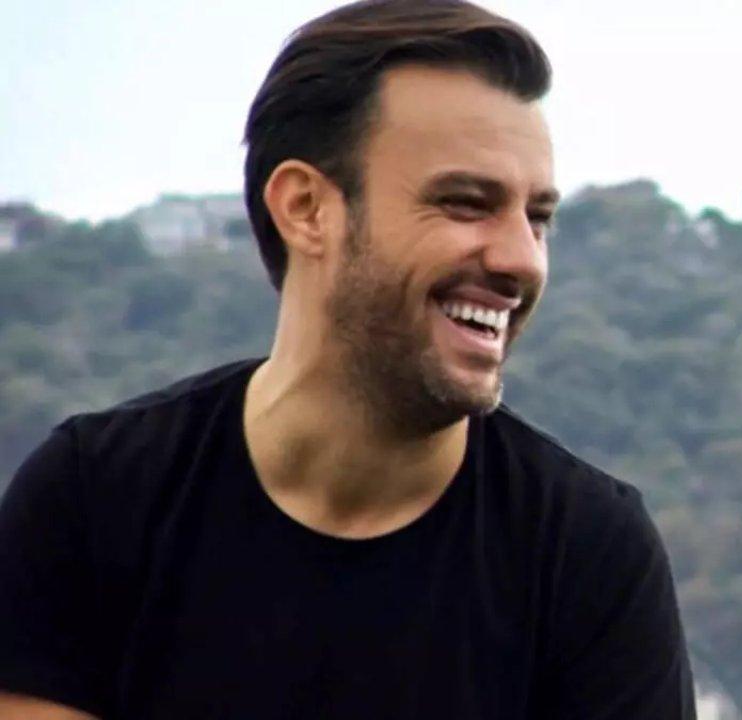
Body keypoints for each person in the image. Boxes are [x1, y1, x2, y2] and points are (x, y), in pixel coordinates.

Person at [0, 1, 695, 717]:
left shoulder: (587, 555)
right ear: (306, 208)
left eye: (537, 218)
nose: (522, 258)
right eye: (465, 203)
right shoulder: (94, 498)